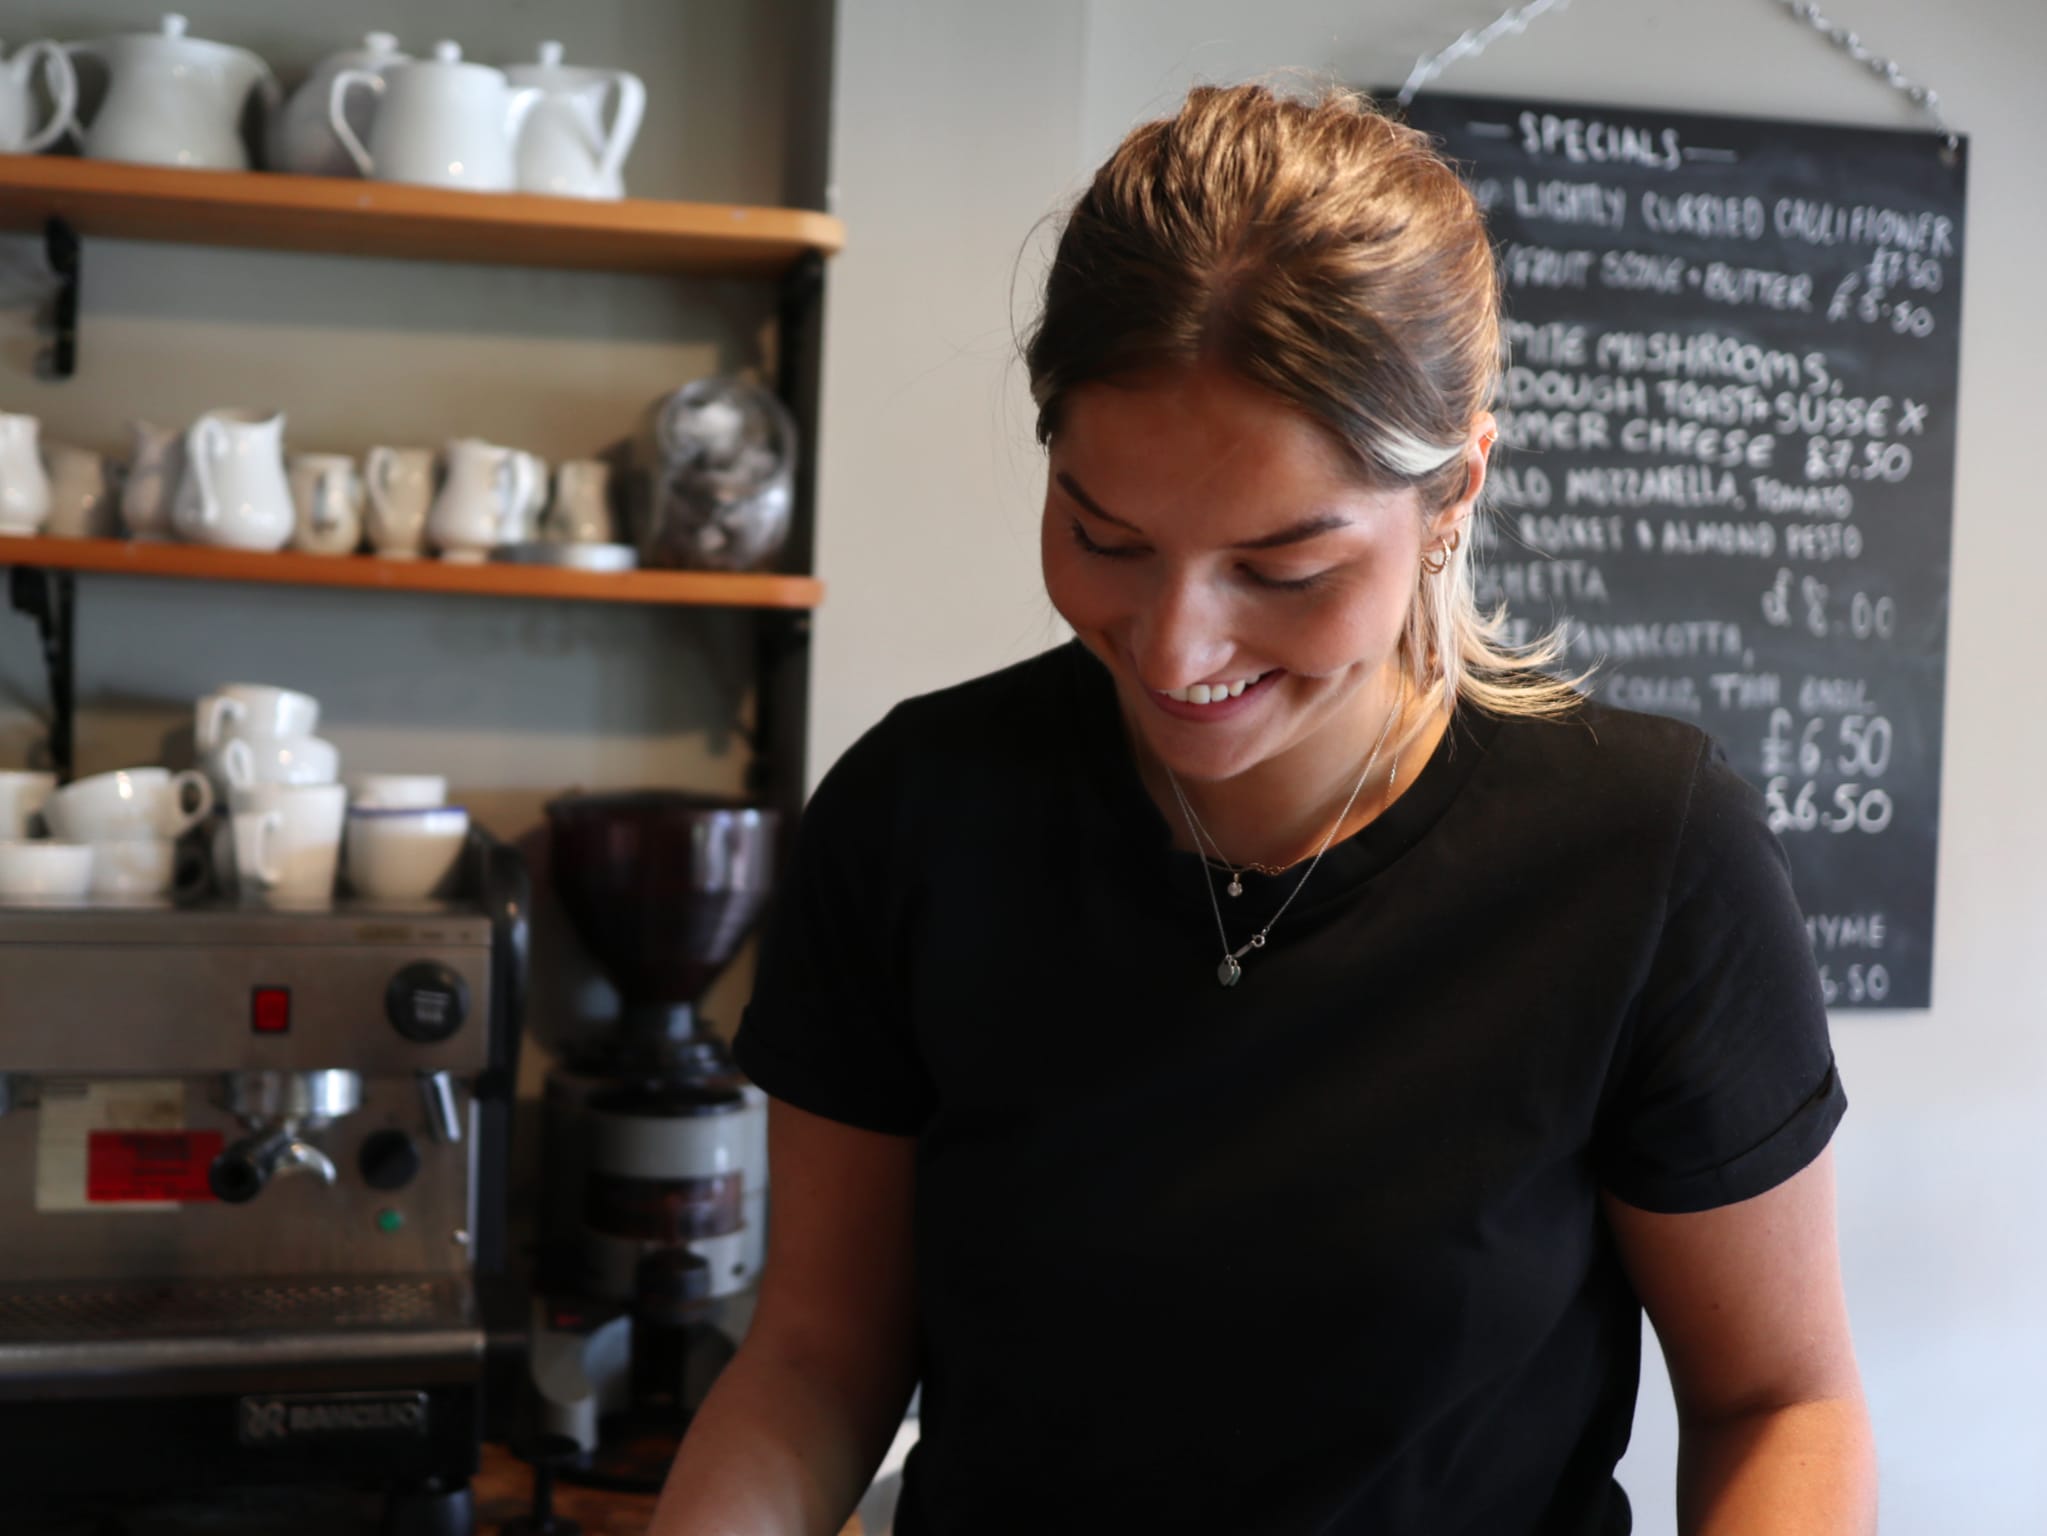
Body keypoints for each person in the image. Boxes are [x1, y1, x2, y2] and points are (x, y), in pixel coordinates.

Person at [649, 81, 1875, 1535]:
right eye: (1105, 537)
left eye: (1283, 570)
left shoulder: (1645, 855)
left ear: (1453, 496)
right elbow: (814, 1361)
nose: (1177, 652)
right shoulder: (920, 814)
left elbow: (1779, 1402)